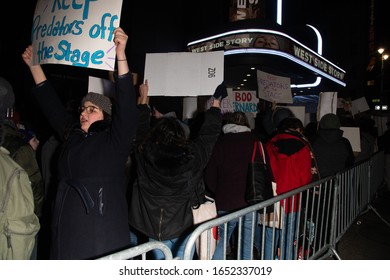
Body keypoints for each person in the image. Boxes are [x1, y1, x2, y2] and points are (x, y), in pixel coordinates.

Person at [21, 27, 139, 259]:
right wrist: (35, 67)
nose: (84, 113)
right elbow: (52, 107)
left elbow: (127, 105)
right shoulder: (73, 134)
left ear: (106, 116)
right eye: (82, 109)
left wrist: (121, 56)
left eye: (92, 109)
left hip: (99, 234)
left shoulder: (115, 141)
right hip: (64, 231)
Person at [128, 79, 225, 260]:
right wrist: (216, 104)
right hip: (183, 225)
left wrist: (143, 99)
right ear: (181, 137)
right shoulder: (192, 157)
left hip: (151, 226)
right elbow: (208, 136)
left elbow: (139, 129)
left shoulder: (143, 153)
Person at [204, 111, 264, 260]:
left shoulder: (220, 143)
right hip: (250, 202)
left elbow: (209, 174)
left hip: (225, 201)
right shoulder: (255, 142)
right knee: (247, 243)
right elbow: (264, 172)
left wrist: (218, 191)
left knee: (221, 241)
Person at [265, 117, 318, 260]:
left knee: (270, 236)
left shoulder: (269, 144)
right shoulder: (303, 146)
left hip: (271, 198)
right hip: (292, 199)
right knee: (288, 237)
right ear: (299, 130)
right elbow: (306, 177)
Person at [310, 113, 354, 178]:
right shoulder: (345, 142)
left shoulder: (313, 141)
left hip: (318, 182)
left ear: (322, 124)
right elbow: (350, 161)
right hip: (340, 180)